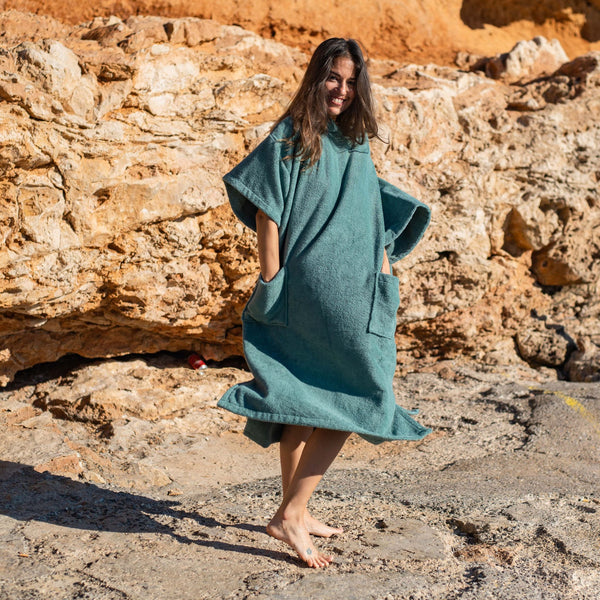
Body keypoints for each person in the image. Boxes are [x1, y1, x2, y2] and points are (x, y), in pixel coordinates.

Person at [217, 38, 431, 568]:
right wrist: (272, 280)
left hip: (356, 283)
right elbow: (267, 209)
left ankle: (296, 507)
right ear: (316, 79)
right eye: (332, 77)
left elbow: (369, 211)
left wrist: (384, 274)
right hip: (320, 288)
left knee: (301, 395)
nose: (341, 88)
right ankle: (292, 513)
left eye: (351, 80)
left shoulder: (353, 141)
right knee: (360, 391)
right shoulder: (291, 135)